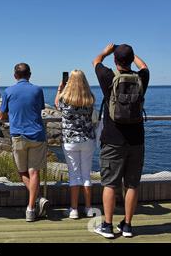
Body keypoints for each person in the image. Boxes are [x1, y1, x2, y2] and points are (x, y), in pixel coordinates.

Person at [92, 43, 149, 239]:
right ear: (131, 58)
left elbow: (96, 61)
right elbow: (144, 66)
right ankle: (127, 225)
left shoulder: (108, 78)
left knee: (110, 184)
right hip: (136, 140)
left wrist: (107, 51)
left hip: (112, 140)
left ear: (115, 61)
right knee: (132, 185)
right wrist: (132, 55)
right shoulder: (142, 78)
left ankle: (107, 226)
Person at [0, 63, 49, 222]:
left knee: (22, 172)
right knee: (34, 172)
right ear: (30, 74)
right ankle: (32, 207)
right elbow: (39, 109)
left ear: (15, 76)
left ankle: (37, 200)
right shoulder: (38, 90)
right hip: (37, 135)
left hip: (18, 135)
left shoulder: (8, 91)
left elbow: (1, 116)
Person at [54, 70, 96, 219]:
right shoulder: (90, 98)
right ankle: (89, 208)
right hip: (87, 140)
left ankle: (74, 210)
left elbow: (56, 104)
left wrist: (60, 88)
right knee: (86, 175)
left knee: (74, 174)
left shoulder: (65, 98)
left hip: (70, 141)